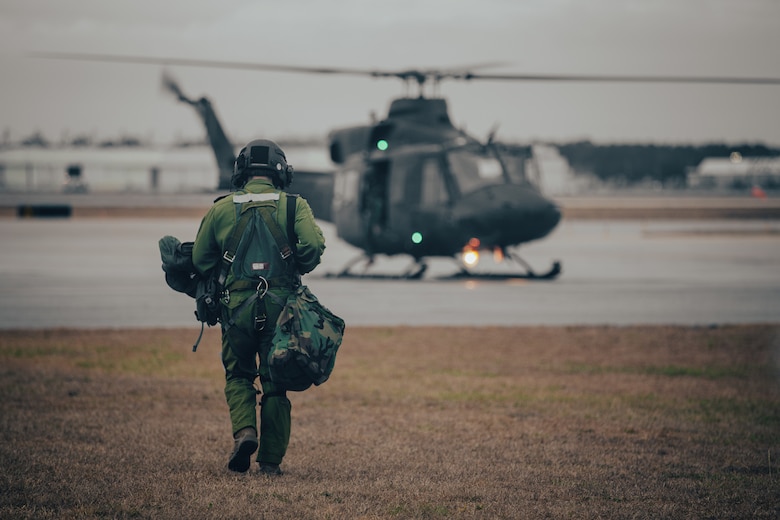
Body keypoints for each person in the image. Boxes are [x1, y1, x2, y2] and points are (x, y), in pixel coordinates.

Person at [192, 139, 326, 475]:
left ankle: (245, 432)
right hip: (282, 309)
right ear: (282, 172)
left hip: (235, 309)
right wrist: (296, 265)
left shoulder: (221, 208)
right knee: (275, 382)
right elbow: (312, 246)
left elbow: (200, 258)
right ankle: (270, 463)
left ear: (241, 172)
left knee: (238, 374)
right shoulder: (295, 205)